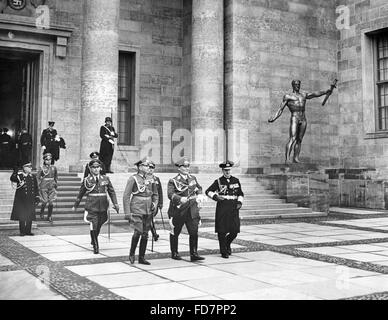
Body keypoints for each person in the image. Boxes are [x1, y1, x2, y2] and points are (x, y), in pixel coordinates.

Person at [268, 80, 333, 163]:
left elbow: (314, 94)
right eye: (296, 84)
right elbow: (280, 109)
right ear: (293, 85)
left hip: (303, 118)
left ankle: (296, 158)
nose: (297, 86)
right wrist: (274, 117)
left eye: (298, 84)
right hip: (295, 117)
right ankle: (287, 159)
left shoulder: (303, 95)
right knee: (292, 138)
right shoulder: (288, 96)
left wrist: (325, 92)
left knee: (299, 140)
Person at [72, 159, 120, 254]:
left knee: (100, 223)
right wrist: (75, 205)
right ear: (90, 169)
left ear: (100, 168)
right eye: (93, 167)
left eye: (97, 167)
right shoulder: (87, 180)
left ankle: (93, 238)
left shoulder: (105, 179)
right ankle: (96, 246)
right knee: (94, 224)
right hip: (92, 205)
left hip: (103, 205)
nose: (96, 169)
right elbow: (81, 193)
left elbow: (111, 191)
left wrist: (115, 203)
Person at [167, 157, 205, 262]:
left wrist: (200, 195)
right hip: (179, 210)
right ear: (179, 168)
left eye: (188, 166)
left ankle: (194, 254)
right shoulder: (173, 181)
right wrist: (180, 199)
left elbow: (199, 187)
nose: (187, 168)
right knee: (175, 231)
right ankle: (174, 253)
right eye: (184, 166)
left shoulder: (193, 178)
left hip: (192, 210)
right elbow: (170, 194)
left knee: (194, 232)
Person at [205, 160, 244, 258]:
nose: (227, 172)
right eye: (225, 170)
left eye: (229, 170)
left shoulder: (236, 180)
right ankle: (223, 251)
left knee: (234, 231)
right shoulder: (218, 181)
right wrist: (215, 197)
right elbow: (208, 191)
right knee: (222, 230)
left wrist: (239, 202)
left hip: (234, 207)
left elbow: (240, 193)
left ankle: (227, 244)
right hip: (222, 206)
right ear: (222, 171)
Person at [123, 158, 158, 265]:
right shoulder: (133, 178)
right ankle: (132, 254)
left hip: (148, 208)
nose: (148, 168)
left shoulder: (151, 179)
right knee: (138, 231)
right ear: (139, 167)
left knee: (145, 233)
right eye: (145, 166)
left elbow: (155, 194)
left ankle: (142, 257)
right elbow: (126, 196)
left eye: (149, 166)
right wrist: (127, 212)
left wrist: (155, 204)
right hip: (137, 207)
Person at [10, 162, 40, 236]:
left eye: (30, 167)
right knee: (22, 216)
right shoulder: (20, 176)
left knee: (30, 215)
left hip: (30, 199)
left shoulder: (33, 176)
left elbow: (36, 188)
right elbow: (12, 178)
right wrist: (15, 171)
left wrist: (37, 196)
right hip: (21, 199)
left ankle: (28, 231)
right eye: (29, 167)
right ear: (24, 168)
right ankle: (22, 231)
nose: (30, 168)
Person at [37, 153, 58, 222]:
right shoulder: (41, 168)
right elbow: (38, 178)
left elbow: (55, 177)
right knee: (45, 201)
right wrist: (38, 186)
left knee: (51, 202)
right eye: (47, 160)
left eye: (50, 159)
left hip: (51, 186)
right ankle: (42, 211)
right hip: (44, 186)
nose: (48, 161)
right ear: (44, 160)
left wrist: (56, 184)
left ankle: (49, 216)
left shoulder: (54, 168)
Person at [147, 161, 163, 241]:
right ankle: (153, 233)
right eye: (149, 167)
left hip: (154, 202)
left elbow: (159, 192)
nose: (150, 169)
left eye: (152, 168)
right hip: (145, 201)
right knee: (148, 218)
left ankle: (148, 233)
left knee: (150, 218)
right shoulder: (143, 178)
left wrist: (160, 203)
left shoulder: (156, 179)